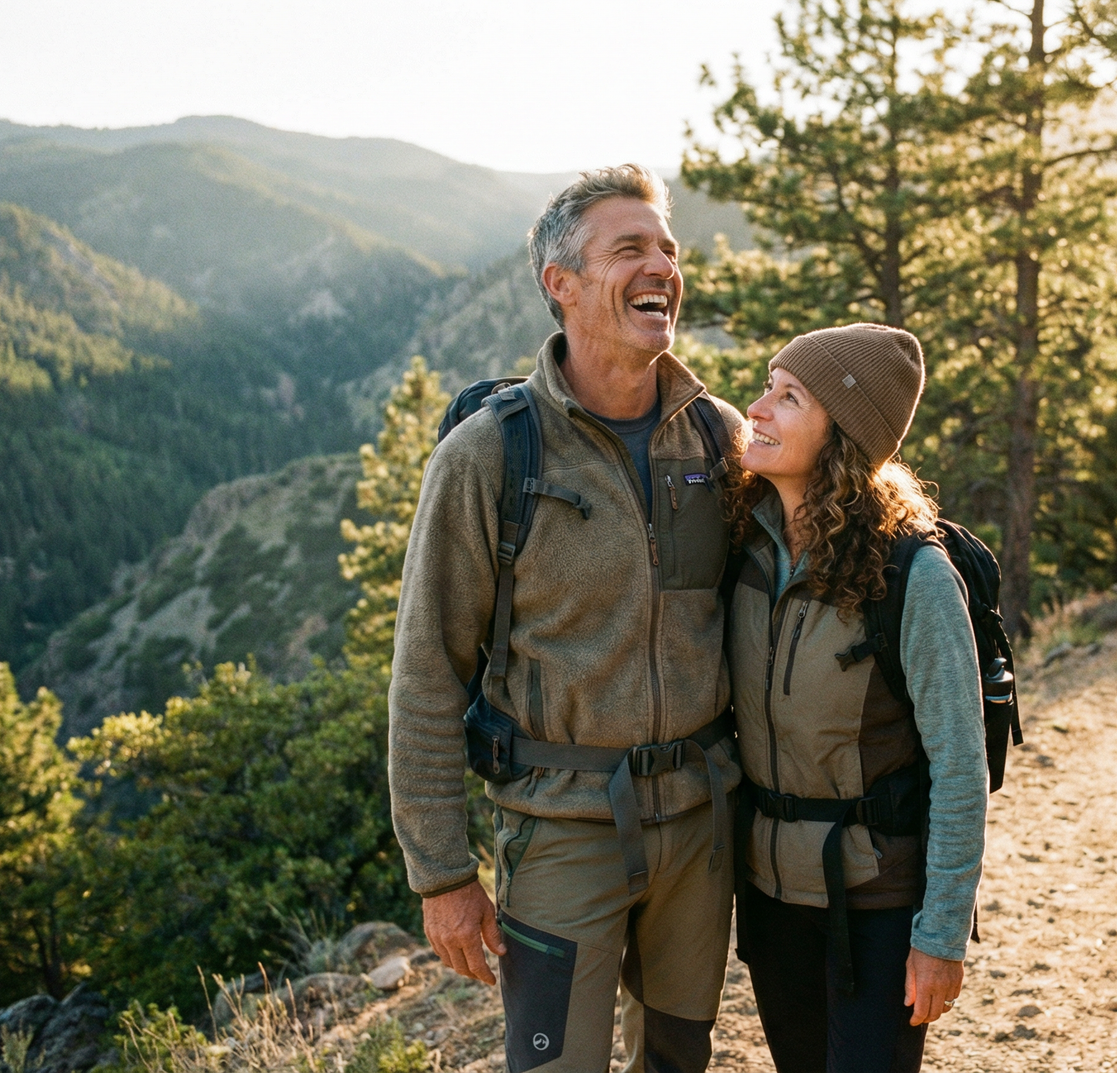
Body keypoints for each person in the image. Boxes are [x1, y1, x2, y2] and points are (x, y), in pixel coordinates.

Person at [388, 164, 743, 1073]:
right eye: (629, 248)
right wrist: (443, 875)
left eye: (667, 247)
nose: (661, 264)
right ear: (562, 283)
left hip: (699, 826)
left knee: (677, 1058)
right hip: (560, 831)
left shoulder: (718, 438)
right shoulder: (490, 455)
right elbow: (428, 672)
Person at [724, 324, 988, 1073]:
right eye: (767, 387)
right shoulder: (746, 542)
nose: (758, 408)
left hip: (875, 902)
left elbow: (959, 769)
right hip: (772, 898)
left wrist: (939, 938)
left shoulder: (914, 576)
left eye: (789, 396)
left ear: (841, 434)